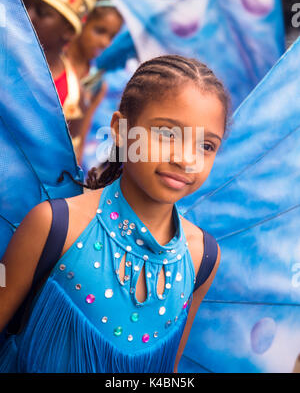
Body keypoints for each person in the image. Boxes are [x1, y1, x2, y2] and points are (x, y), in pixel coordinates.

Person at [0, 55, 230, 373]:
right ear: (120, 131)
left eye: (206, 145)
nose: (186, 159)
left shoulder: (202, 257)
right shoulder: (54, 226)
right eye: (167, 134)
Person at [21, 0, 100, 158]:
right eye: (24, 4)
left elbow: (59, 168)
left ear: (68, 30)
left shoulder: (72, 99)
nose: (28, 15)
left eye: (42, 12)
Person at [65, 0, 123, 162]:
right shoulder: (53, 60)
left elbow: (81, 133)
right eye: (100, 31)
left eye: (111, 36)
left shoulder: (96, 83)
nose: (105, 42)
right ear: (83, 22)